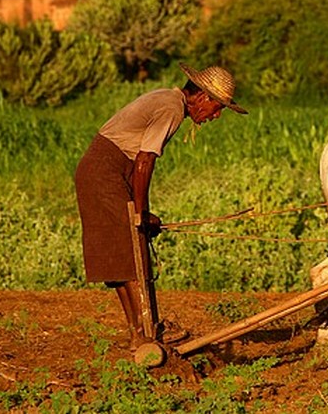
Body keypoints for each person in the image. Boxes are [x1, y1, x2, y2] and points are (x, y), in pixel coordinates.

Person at [74, 63, 247, 348]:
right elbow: (144, 161)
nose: (215, 116)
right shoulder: (172, 109)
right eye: (217, 108)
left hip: (104, 170)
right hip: (105, 171)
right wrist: (140, 214)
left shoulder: (167, 98)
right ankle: (144, 333)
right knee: (131, 252)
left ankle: (139, 334)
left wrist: (143, 211)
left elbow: (139, 165)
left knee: (124, 253)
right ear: (202, 97)